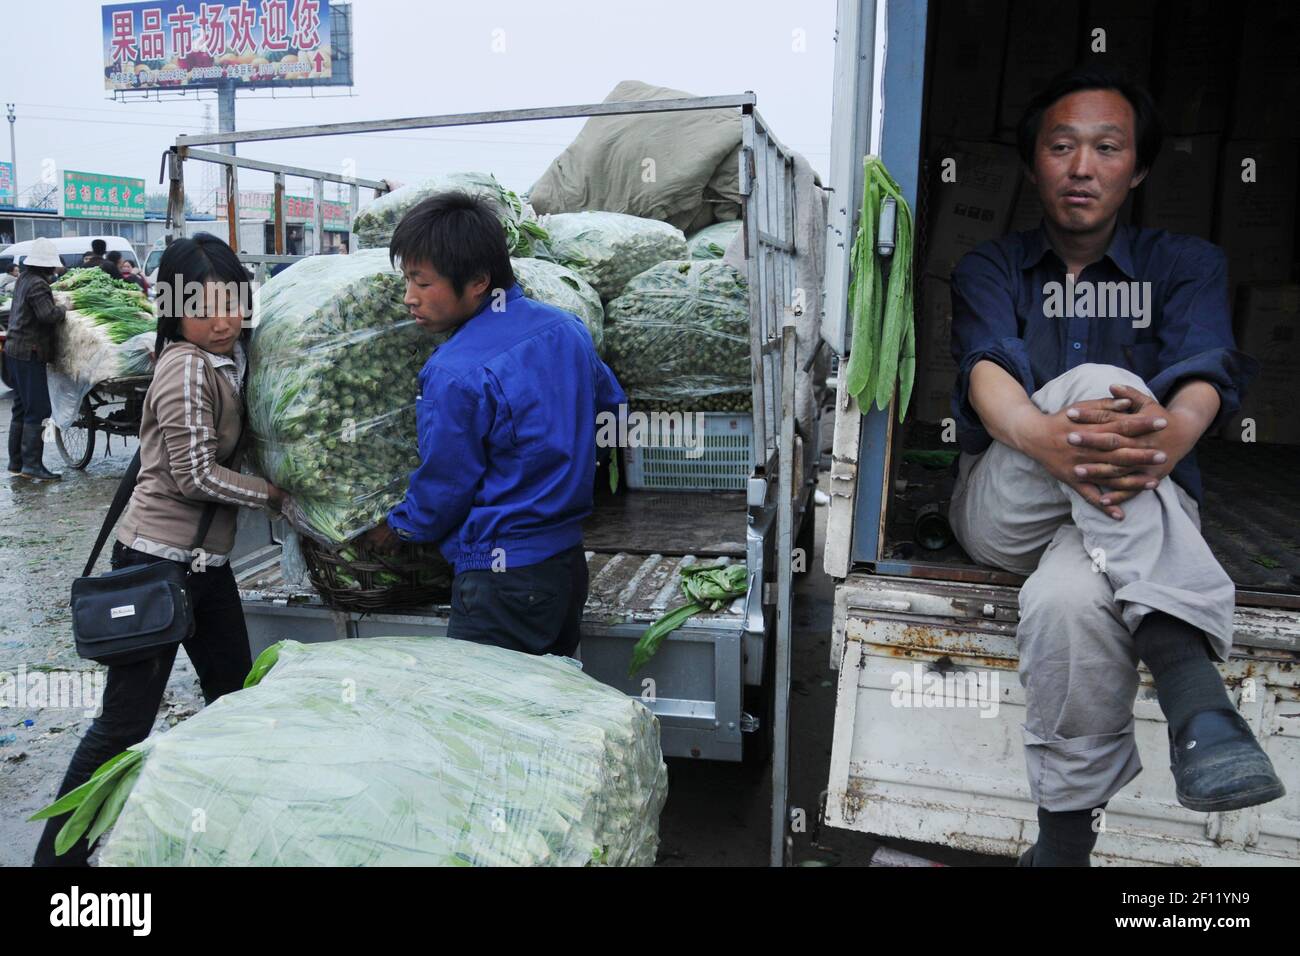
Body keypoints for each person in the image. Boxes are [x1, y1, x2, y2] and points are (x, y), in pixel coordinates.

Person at [946, 66, 1284, 867]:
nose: (1082, 166)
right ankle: (1191, 689)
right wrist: (1040, 434)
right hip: (1011, 505)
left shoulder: (1187, 264)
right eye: (1061, 147)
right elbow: (985, 371)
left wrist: (1168, 439)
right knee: (1105, 387)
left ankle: (1061, 845)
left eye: (1107, 147)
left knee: (1066, 600)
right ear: (1033, 165)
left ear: (1138, 168)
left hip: (1123, 519)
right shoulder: (989, 266)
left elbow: (1206, 376)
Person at [33, 233, 289, 867]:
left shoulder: (223, 361)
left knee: (234, 697)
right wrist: (275, 495)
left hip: (206, 567)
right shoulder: (182, 366)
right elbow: (193, 475)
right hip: (156, 565)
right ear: (176, 308)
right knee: (124, 725)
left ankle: (219, 831)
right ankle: (54, 864)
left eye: (233, 302)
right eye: (204, 306)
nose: (223, 319)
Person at [359, 193, 626, 657]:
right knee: (549, 706)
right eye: (406, 281)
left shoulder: (455, 371)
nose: (409, 298)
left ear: (479, 281)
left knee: (491, 718)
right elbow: (612, 412)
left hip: (501, 582)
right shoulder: (566, 329)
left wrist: (400, 529)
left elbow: (447, 481)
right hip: (563, 566)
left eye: (422, 283)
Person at [5, 238, 66, 481]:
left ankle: (16, 463)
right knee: (39, 409)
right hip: (29, 351)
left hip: (14, 349)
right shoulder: (39, 285)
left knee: (21, 407)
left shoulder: (23, 279)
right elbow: (47, 316)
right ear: (48, 266)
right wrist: (63, 309)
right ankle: (32, 464)